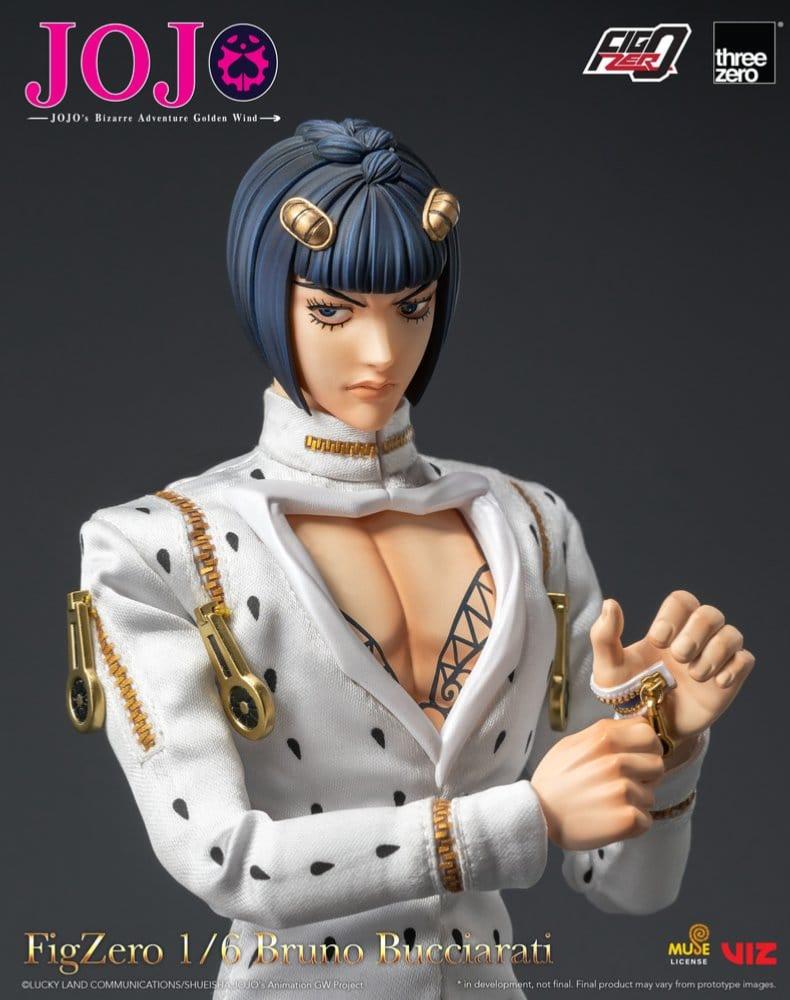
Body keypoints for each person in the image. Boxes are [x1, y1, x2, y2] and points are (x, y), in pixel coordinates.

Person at [69, 117, 754, 999]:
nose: (381, 353)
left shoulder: (532, 525)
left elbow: (628, 888)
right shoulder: (160, 547)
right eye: (332, 310)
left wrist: (669, 743)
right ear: (265, 294)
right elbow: (226, 860)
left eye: (412, 307)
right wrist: (521, 818)